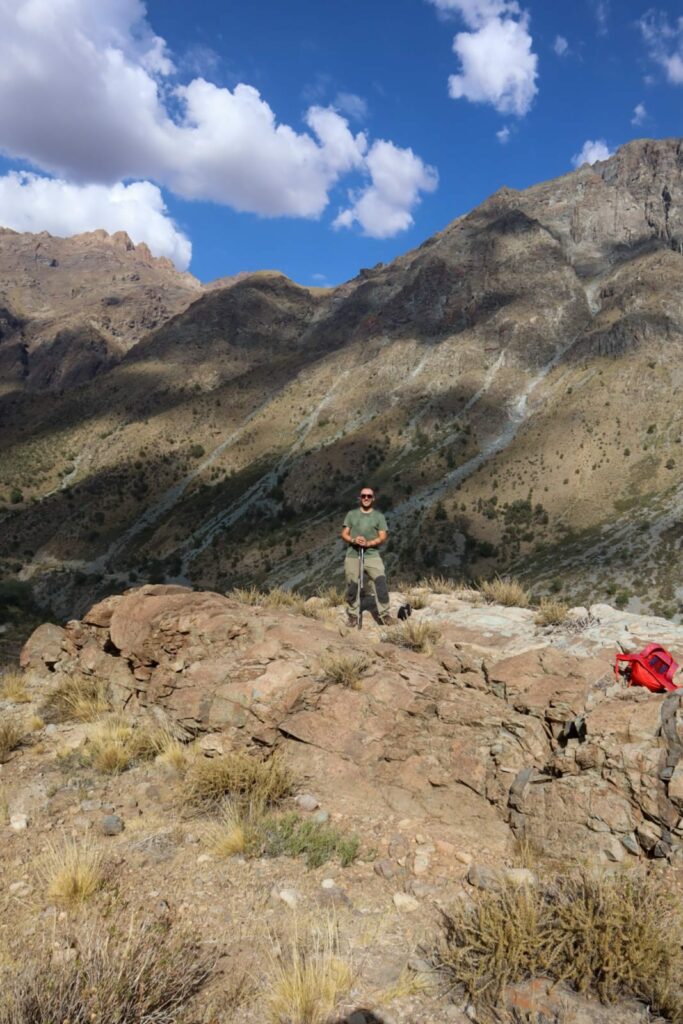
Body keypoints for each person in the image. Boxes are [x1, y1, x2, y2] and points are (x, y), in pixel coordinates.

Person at [341, 487, 392, 625]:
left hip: (372, 554)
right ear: (360, 498)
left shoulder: (379, 517)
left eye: (369, 496)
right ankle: (353, 615)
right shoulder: (351, 515)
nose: (366, 498)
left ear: (373, 498)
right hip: (353, 554)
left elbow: (383, 536)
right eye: (363, 496)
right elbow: (344, 533)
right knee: (352, 585)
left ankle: (385, 614)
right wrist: (353, 540)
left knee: (380, 581)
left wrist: (369, 543)